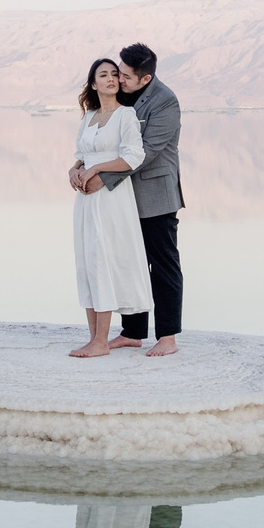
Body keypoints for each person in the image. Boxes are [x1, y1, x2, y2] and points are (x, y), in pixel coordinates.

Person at [83, 41, 183, 356]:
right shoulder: (124, 96)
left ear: (146, 79)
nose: (120, 80)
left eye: (126, 76)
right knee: (126, 260)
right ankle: (133, 332)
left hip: (155, 196)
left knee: (162, 264)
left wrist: (100, 177)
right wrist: (81, 167)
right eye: (118, 73)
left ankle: (167, 337)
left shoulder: (165, 102)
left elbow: (147, 152)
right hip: (121, 199)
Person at [68, 58, 152, 357]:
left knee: (103, 258)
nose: (111, 79)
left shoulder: (125, 115)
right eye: (103, 75)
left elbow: (133, 157)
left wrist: (97, 170)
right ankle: (93, 338)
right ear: (93, 83)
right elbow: (80, 155)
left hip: (112, 198)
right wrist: (74, 171)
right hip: (86, 199)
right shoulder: (89, 116)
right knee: (88, 260)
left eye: (115, 74)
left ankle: (102, 341)